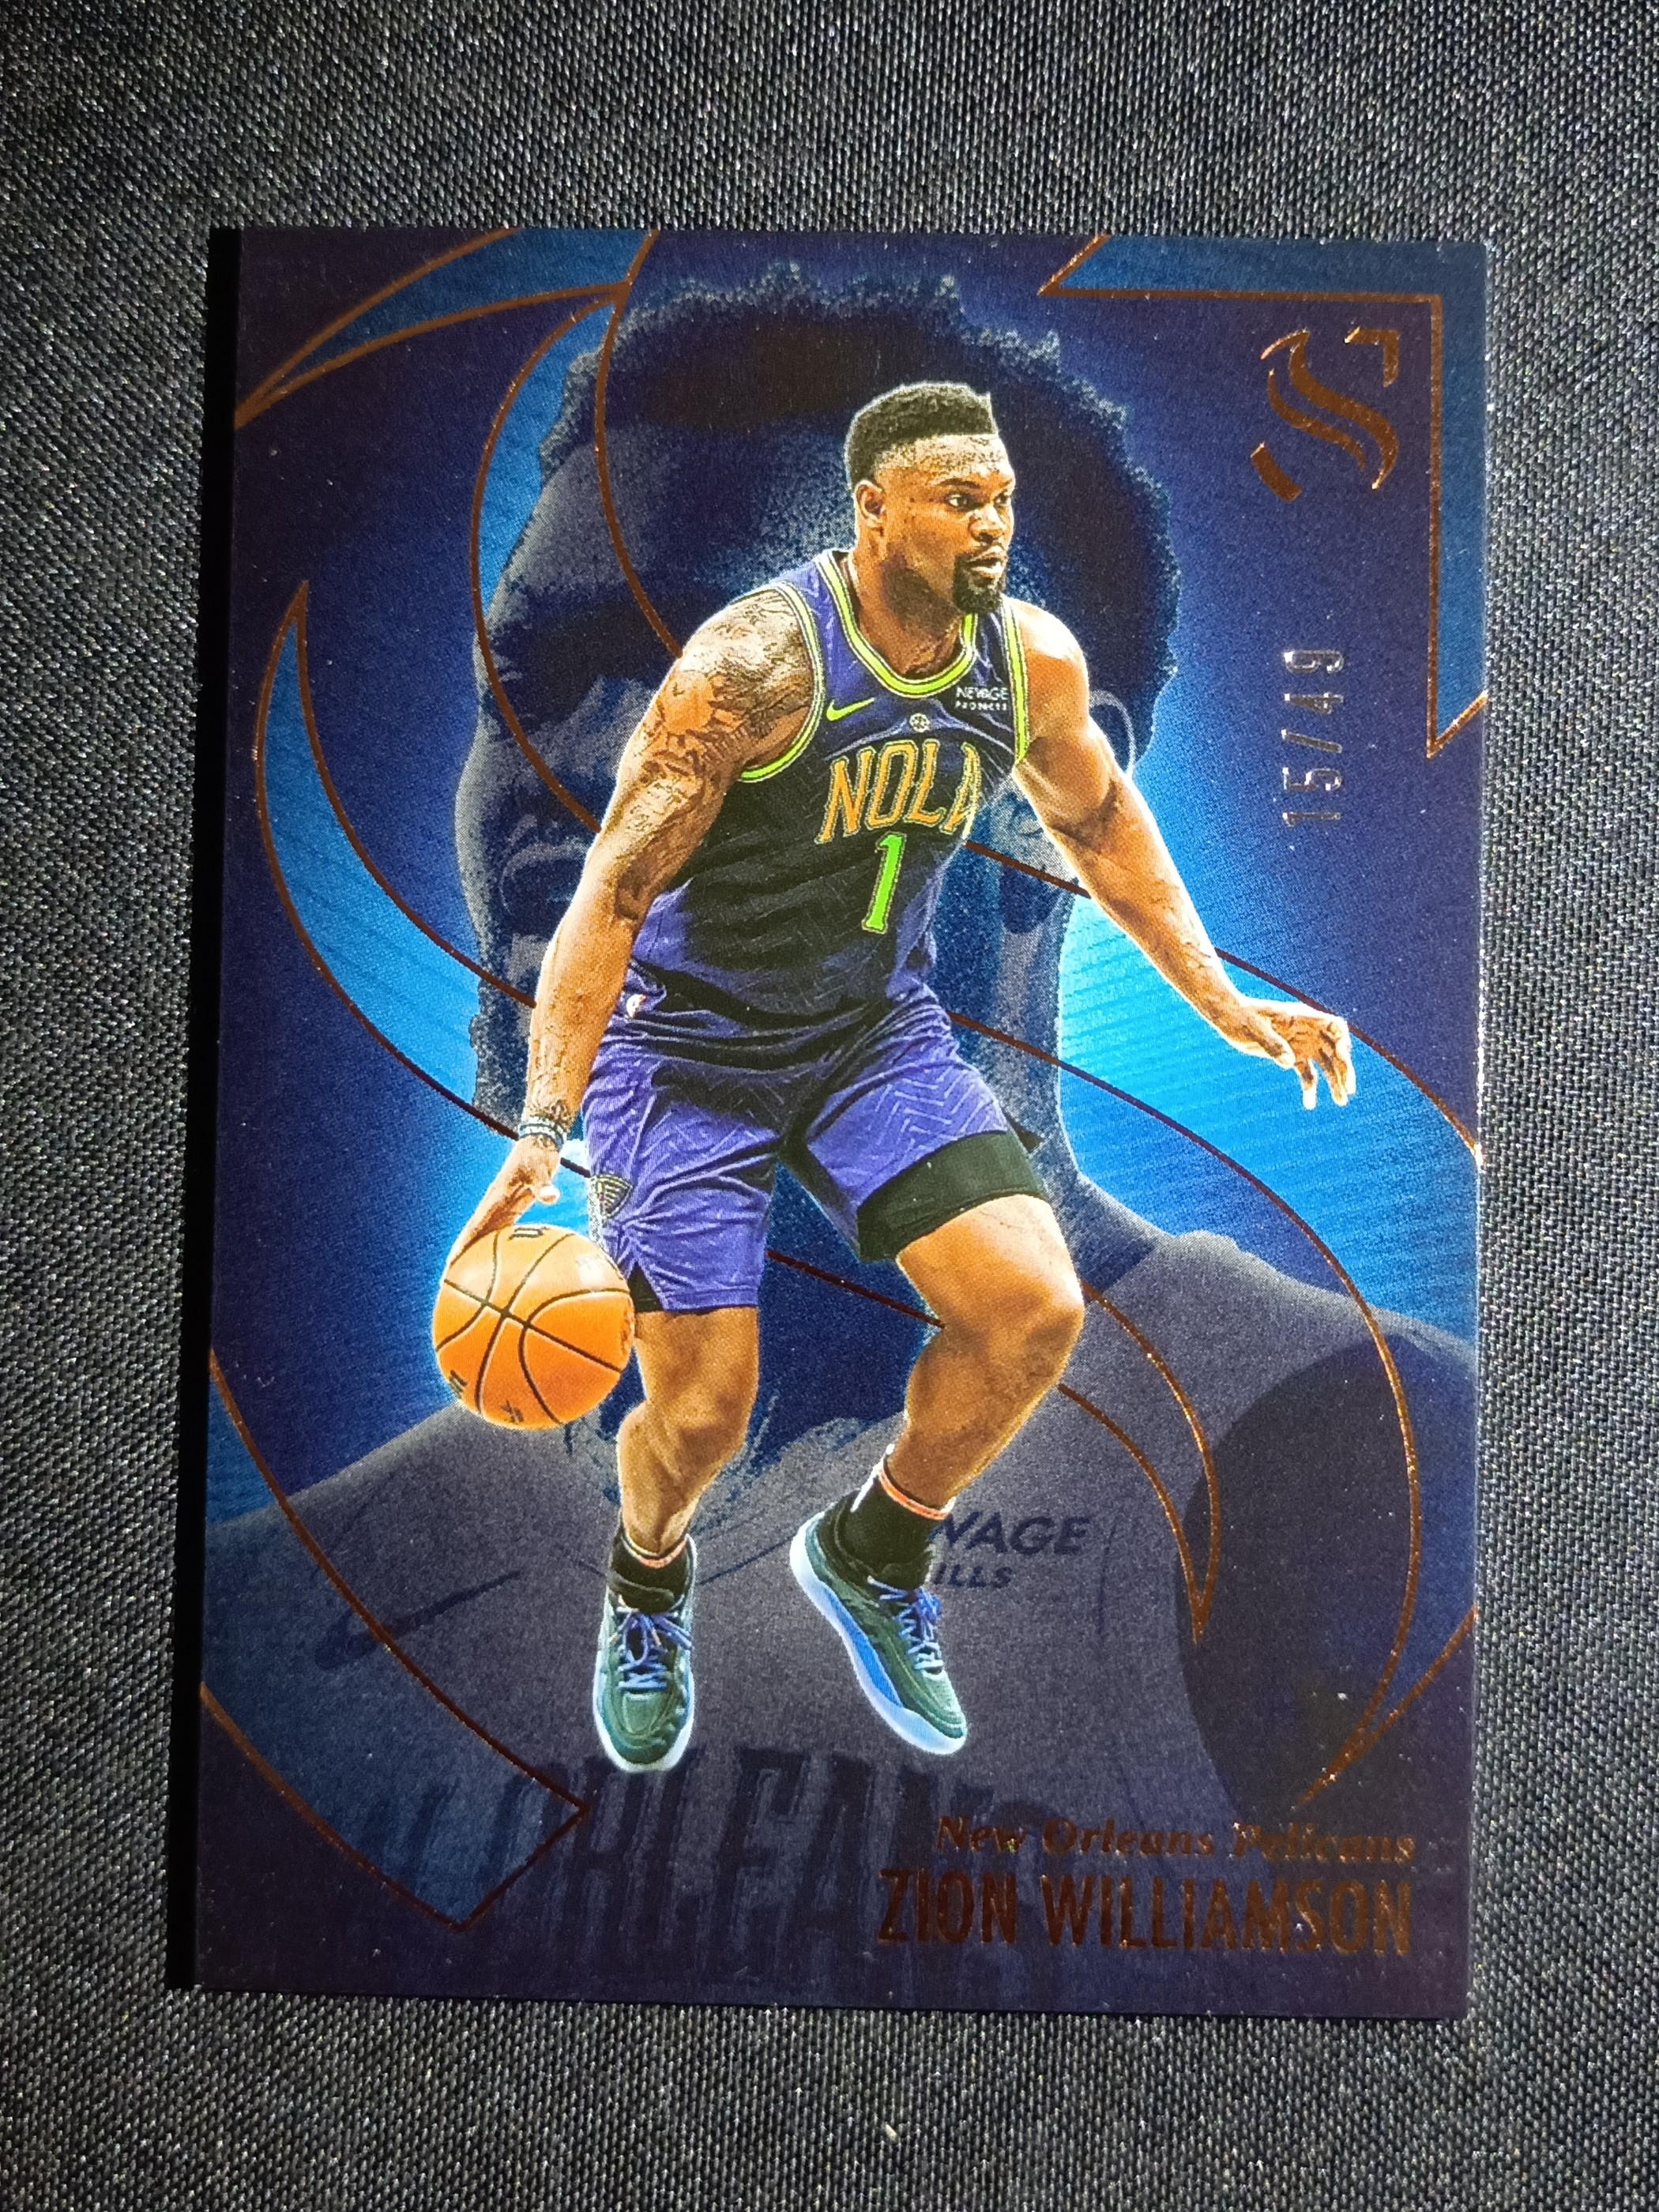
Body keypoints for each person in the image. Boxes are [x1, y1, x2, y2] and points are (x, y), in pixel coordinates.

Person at [453, 378, 1356, 1777]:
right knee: (701, 1414)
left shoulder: (1028, 664)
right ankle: (648, 1576)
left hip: (870, 1038)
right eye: (958, 500)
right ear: (873, 512)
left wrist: (1225, 1002)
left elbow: (1100, 824)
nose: (991, 525)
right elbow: (611, 896)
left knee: (1030, 1312)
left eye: (1002, 500)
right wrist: (543, 1124)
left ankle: (875, 1550)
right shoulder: (752, 668)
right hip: (688, 1052)